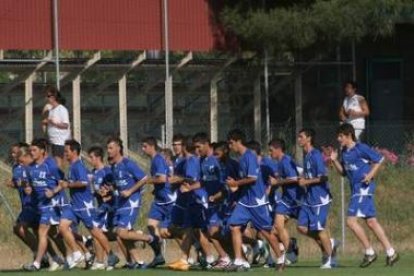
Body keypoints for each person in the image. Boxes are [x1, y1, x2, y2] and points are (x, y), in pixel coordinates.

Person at [330, 123, 399, 267]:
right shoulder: (344, 151)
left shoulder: (361, 148)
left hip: (363, 188)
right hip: (356, 190)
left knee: (351, 221)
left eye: (340, 136)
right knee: (371, 222)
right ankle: (391, 252)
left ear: (348, 135)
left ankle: (369, 252)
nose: (338, 139)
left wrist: (370, 175)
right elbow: (343, 173)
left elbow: (379, 159)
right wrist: (334, 160)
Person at [54, 139, 119, 269]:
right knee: (62, 227)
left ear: (74, 152)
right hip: (74, 206)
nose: (65, 153)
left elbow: (84, 182)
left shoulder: (78, 165)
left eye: (67, 151)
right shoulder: (72, 166)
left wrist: (68, 184)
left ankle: (111, 255)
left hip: (85, 206)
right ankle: (77, 253)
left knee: (96, 232)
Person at [225, 129, 284, 272]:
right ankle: (240, 261)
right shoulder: (241, 158)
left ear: (238, 141)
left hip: (257, 202)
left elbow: (252, 178)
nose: (229, 146)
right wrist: (235, 186)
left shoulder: (249, 156)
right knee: (234, 227)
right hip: (245, 201)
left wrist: (236, 184)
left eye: (231, 143)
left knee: (266, 233)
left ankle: (281, 257)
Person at [106, 137, 162, 267]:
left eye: (111, 148)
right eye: (107, 148)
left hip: (131, 202)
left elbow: (143, 178)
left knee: (122, 233)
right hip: (121, 204)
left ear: (118, 148)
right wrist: (111, 189)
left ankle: (151, 238)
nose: (108, 151)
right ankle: (138, 262)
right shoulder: (114, 167)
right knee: (120, 235)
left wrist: (130, 191)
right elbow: (119, 184)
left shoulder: (128, 163)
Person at [297, 129, 339, 269]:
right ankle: (330, 243)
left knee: (320, 230)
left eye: (301, 137)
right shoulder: (307, 155)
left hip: (320, 199)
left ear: (309, 139)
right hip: (309, 199)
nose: (298, 139)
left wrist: (306, 182)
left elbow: (323, 177)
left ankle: (330, 261)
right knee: (302, 228)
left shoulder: (315, 155)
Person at [193, 132, 231, 269]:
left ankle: (226, 257)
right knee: (213, 232)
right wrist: (190, 187)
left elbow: (225, 183)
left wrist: (217, 196)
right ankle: (229, 255)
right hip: (211, 202)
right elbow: (203, 182)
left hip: (221, 202)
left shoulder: (216, 160)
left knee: (213, 232)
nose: (197, 150)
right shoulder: (202, 161)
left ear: (206, 144)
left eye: (198, 147)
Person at [141, 136, 177, 267]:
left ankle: (196, 245)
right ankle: (158, 256)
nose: (142, 149)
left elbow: (162, 179)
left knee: (169, 231)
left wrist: (147, 181)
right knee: (151, 225)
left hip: (168, 200)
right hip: (159, 200)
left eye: (145, 146)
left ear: (151, 146)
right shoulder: (154, 160)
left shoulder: (158, 159)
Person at [268, 138, 302, 266]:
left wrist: (277, 182)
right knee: (277, 227)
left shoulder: (286, 161)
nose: (270, 153)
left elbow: (293, 178)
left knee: (309, 229)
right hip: (286, 200)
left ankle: (330, 244)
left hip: (297, 200)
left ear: (278, 149)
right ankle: (290, 252)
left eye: (271, 150)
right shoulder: (280, 162)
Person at [41, 86, 71, 168]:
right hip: (53, 140)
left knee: (58, 163)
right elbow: (45, 118)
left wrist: (53, 123)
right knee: (53, 162)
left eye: (48, 96)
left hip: (60, 141)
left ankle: (59, 178)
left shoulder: (61, 109)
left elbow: (65, 125)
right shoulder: (51, 110)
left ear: (53, 97)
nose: (47, 98)